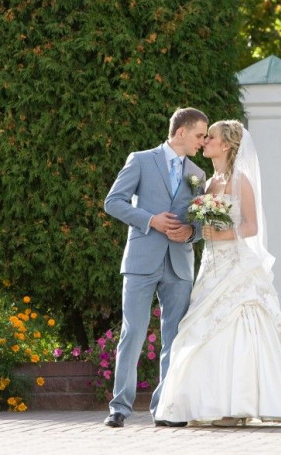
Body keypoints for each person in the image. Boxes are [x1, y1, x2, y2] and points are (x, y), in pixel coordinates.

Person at [154, 120, 281, 427]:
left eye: (210, 137)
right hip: (210, 265)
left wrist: (224, 233)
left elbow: (251, 225)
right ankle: (208, 404)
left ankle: (237, 407)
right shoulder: (208, 183)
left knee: (237, 328)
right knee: (201, 330)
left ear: (225, 145)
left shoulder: (241, 180)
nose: (205, 142)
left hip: (234, 264)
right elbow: (203, 226)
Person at [103, 107, 209, 428]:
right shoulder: (141, 160)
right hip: (141, 261)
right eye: (199, 135)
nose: (203, 142)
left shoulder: (198, 174)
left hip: (179, 264)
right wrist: (151, 220)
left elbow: (203, 220)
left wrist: (191, 232)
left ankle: (164, 407)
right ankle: (119, 407)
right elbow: (113, 202)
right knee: (133, 332)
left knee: (174, 338)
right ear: (181, 133)